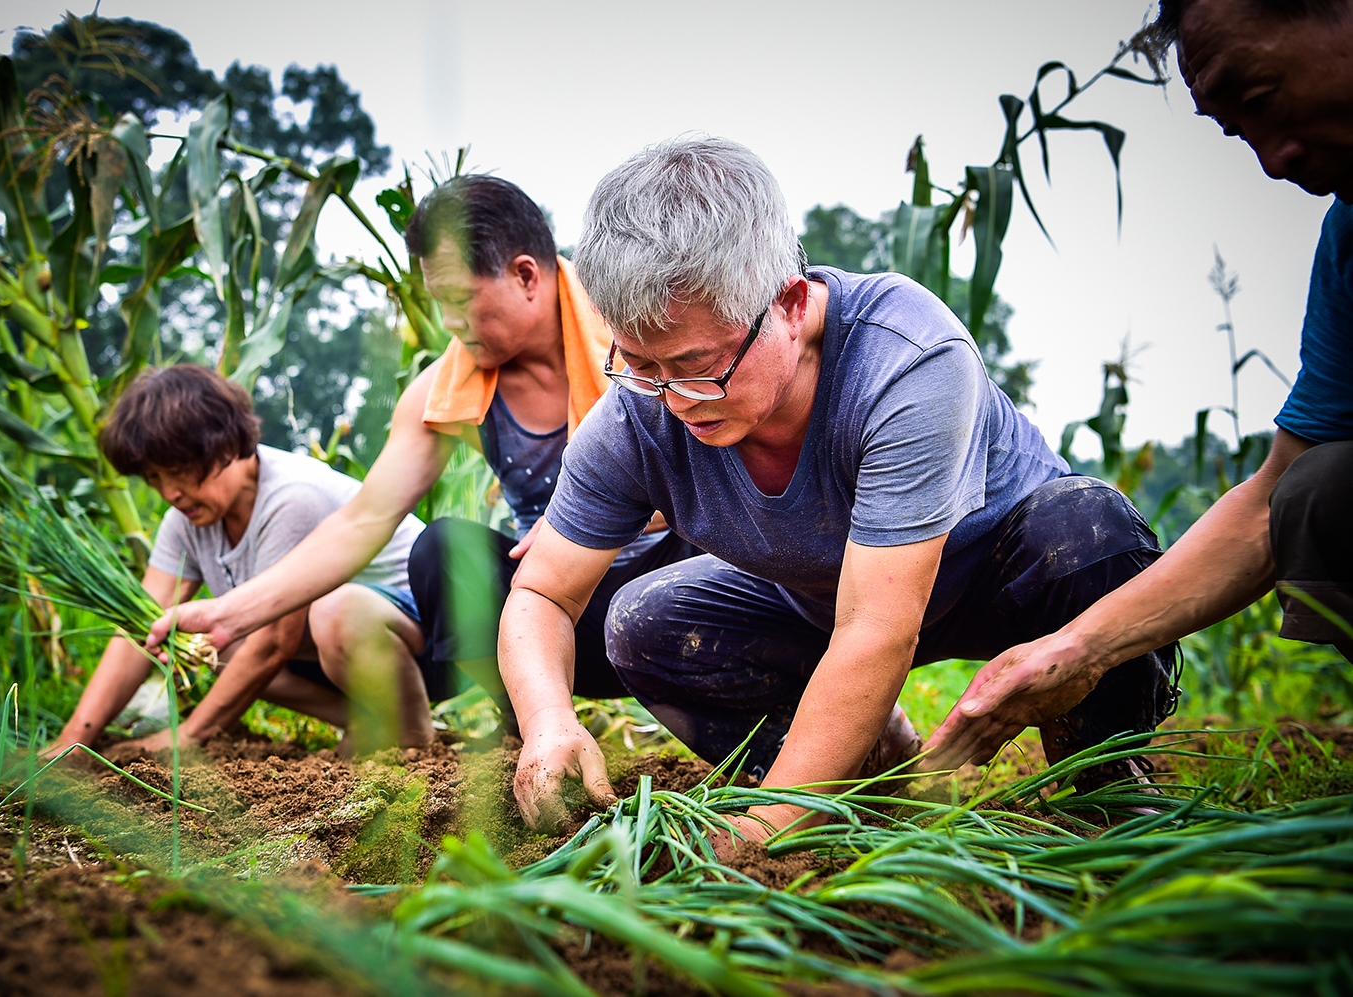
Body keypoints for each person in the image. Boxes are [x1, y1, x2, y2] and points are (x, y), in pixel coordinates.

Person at [499, 136, 1180, 838]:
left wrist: (765, 834)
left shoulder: (905, 360)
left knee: (1085, 529)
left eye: (697, 365)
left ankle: (1104, 777)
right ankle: (866, 776)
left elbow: (877, 626)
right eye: (641, 363)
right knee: (642, 623)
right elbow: (544, 592)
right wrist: (549, 723)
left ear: (790, 304)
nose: (673, 397)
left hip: (988, 578)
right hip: (825, 602)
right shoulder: (640, 408)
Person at [922, 0, 1353, 773]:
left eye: (1258, 99)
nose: (1272, 162)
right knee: (1322, 490)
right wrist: (1074, 650)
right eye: (1235, 131)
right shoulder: (1348, 240)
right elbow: (1271, 498)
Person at [145, 176, 695, 718]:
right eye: (440, 303)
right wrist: (229, 614)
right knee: (442, 549)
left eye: (459, 300)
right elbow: (364, 520)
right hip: (557, 611)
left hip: (682, 598)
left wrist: (585, 518)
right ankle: (532, 726)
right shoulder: (444, 391)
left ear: (525, 275)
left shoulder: (644, 344)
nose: (450, 325)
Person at [44, 364, 431, 759]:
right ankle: (365, 720)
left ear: (225, 447)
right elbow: (141, 633)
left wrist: (188, 737)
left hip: (423, 645)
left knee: (333, 613)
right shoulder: (185, 520)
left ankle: (411, 736)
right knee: (209, 646)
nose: (170, 493)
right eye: (154, 479)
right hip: (338, 656)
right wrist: (75, 738)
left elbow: (272, 644)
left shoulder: (291, 496)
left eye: (178, 473)